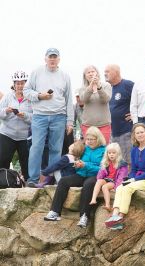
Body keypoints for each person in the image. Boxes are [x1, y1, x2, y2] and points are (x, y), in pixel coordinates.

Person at [23, 48, 74, 186]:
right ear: (45, 58)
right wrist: (40, 96)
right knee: (36, 147)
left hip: (59, 116)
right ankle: (32, 179)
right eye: (50, 57)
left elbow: (69, 99)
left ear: (59, 59)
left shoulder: (65, 76)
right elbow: (26, 91)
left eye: (55, 57)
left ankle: (50, 180)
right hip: (39, 116)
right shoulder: (36, 72)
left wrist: (70, 121)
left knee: (56, 149)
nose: (52, 59)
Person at [44, 127, 106, 228]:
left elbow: (102, 169)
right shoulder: (84, 148)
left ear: (98, 139)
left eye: (91, 139)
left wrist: (85, 165)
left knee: (88, 185)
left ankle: (84, 216)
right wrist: (77, 164)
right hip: (81, 173)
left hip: (95, 176)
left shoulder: (104, 150)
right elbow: (76, 158)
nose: (89, 142)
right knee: (64, 181)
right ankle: (54, 212)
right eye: (87, 139)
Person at [104, 123, 145, 230]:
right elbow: (133, 169)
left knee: (128, 188)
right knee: (120, 186)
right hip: (136, 179)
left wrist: (134, 179)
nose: (140, 135)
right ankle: (115, 215)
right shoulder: (134, 149)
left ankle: (120, 217)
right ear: (134, 135)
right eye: (137, 133)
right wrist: (129, 178)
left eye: (142, 132)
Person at [0, 71, 32, 180]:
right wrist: (6, 111)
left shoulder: (30, 98)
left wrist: (25, 116)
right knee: (3, 159)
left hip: (24, 136)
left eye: (22, 83)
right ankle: (2, 182)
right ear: (14, 85)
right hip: (7, 134)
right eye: (17, 83)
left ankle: (28, 183)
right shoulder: (8, 97)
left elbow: (36, 118)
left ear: (26, 84)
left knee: (26, 162)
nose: (20, 86)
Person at [105, 64, 134, 165]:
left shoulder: (128, 85)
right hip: (112, 132)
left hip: (126, 131)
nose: (105, 74)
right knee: (116, 162)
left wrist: (134, 114)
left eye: (107, 71)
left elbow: (140, 99)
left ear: (116, 72)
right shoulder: (107, 88)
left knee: (128, 160)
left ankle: (130, 180)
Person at [90, 143, 128, 211]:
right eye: (109, 153)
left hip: (114, 181)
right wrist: (103, 168)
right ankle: (93, 199)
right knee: (99, 181)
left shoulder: (122, 164)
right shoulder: (106, 162)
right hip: (107, 179)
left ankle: (107, 205)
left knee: (105, 187)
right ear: (107, 154)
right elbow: (100, 176)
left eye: (113, 153)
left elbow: (121, 177)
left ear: (118, 154)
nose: (111, 154)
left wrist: (116, 188)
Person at [79, 65, 112, 143]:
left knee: (103, 149)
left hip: (104, 125)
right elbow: (84, 99)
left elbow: (106, 99)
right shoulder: (83, 88)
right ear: (85, 76)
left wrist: (99, 87)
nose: (91, 74)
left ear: (97, 73)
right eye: (88, 73)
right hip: (88, 125)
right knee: (89, 149)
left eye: (93, 72)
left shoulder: (106, 85)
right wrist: (90, 86)